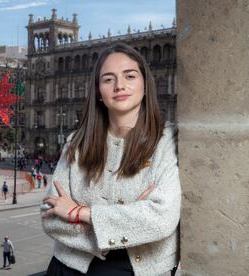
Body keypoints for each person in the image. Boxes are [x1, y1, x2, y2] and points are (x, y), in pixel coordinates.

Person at [41, 43, 181, 275]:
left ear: (146, 84)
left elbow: (161, 219)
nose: (120, 86)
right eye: (108, 79)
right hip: (66, 268)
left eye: (130, 76)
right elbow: (49, 216)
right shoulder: (76, 142)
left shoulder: (167, 141)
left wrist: (80, 213)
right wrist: (133, 215)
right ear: (98, 91)